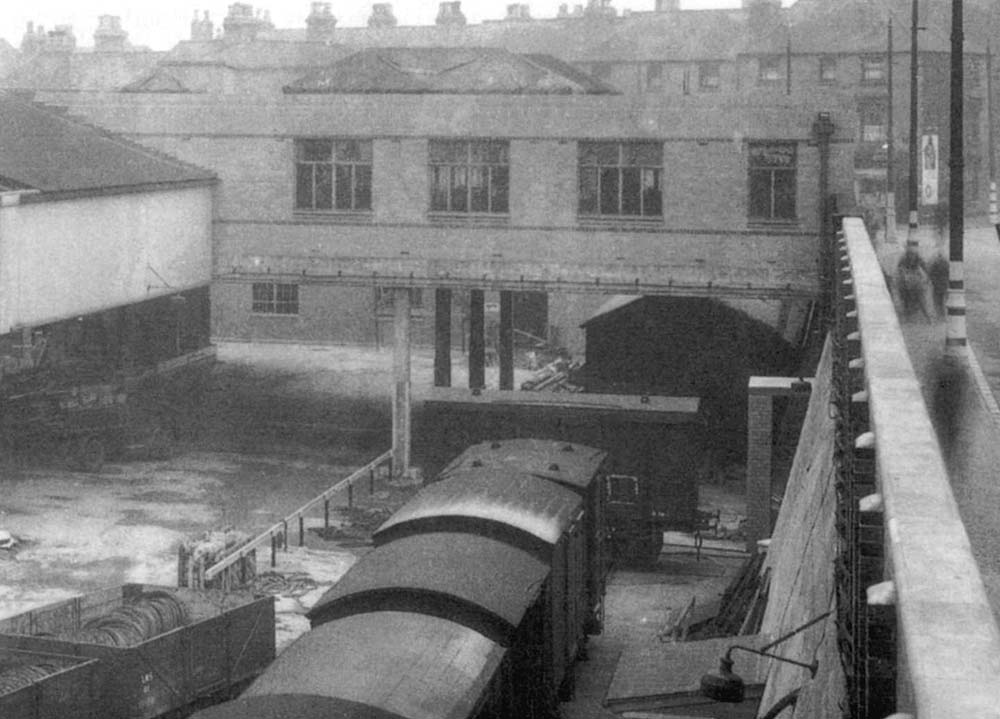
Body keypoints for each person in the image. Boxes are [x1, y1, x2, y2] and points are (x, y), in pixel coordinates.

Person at [896, 247, 931, 321]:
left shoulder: (908, 258)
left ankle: (924, 317)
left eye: (913, 255)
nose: (912, 257)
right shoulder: (905, 258)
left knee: (915, 299)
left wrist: (927, 277)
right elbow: (900, 268)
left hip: (912, 280)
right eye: (910, 255)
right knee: (913, 299)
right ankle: (925, 317)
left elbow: (924, 267)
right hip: (912, 280)